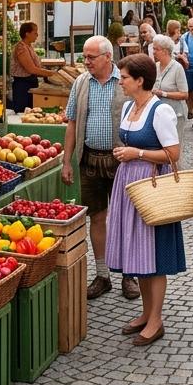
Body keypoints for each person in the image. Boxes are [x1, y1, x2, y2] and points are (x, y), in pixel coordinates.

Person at [106, 54, 185, 346]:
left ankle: (156, 319)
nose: (121, 82)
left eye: (124, 77)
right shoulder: (129, 106)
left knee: (153, 254)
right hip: (129, 184)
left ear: (140, 80)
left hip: (152, 186)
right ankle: (144, 312)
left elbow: (173, 154)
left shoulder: (160, 111)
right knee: (137, 252)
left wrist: (136, 154)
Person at [61, 36, 139, 301]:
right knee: (96, 216)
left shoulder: (126, 81)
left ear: (108, 57)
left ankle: (130, 275)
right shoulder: (81, 83)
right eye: (84, 57)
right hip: (90, 159)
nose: (86, 62)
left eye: (91, 57)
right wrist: (66, 161)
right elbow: (71, 123)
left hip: (122, 160)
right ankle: (103, 274)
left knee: (125, 217)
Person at [151, 34, 188, 130]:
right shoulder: (155, 66)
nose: (153, 52)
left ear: (165, 51)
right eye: (153, 49)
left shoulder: (177, 68)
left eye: (156, 49)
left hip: (174, 114)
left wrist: (163, 93)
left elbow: (184, 94)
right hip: (157, 113)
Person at [9, 21, 44, 113]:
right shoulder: (21, 47)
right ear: (27, 34)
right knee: (22, 112)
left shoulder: (29, 46)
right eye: (35, 32)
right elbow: (31, 69)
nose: (37, 35)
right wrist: (51, 74)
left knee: (30, 111)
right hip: (22, 85)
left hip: (30, 82)